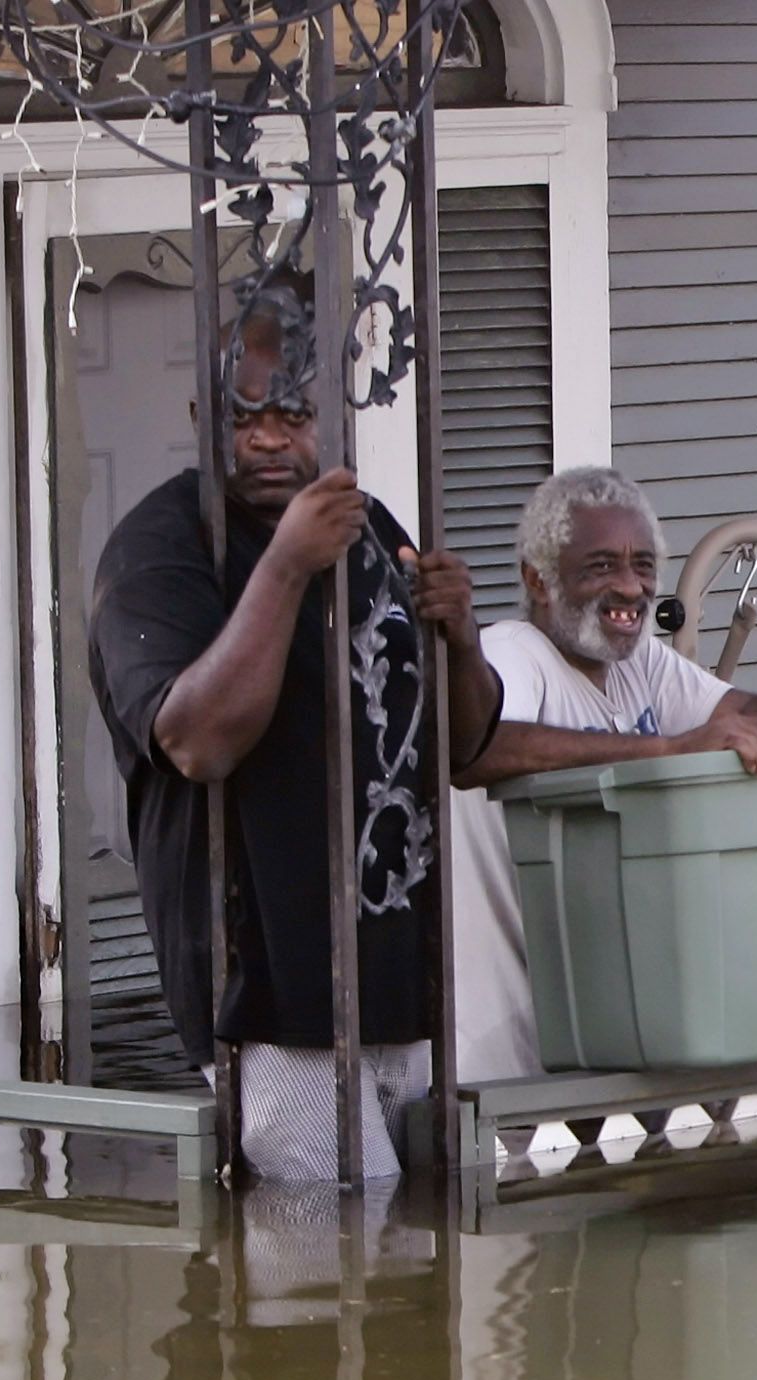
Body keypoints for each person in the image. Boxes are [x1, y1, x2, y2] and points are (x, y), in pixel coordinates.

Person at [89, 288, 504, 1182]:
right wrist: (281, 563)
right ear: (204, 415)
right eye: (247, 416)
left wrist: (462, 639)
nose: (271, 438)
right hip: (273, 996)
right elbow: (200, 741)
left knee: (414, 1259)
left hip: (399, 974)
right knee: (315, 1265)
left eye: (295, 414)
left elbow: (463, 750)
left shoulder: (367, 528)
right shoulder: (161, 549)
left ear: (336, 417)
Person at [448, 466, 757, 1084]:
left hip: (601, 1028)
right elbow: (480, 747)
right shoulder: (513, 652)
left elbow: (746, 706)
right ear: (537, 581)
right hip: (501, 1050)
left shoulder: (640, 664)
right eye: (600, 567)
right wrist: (665, 750)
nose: (630, 588)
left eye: (643, 566)